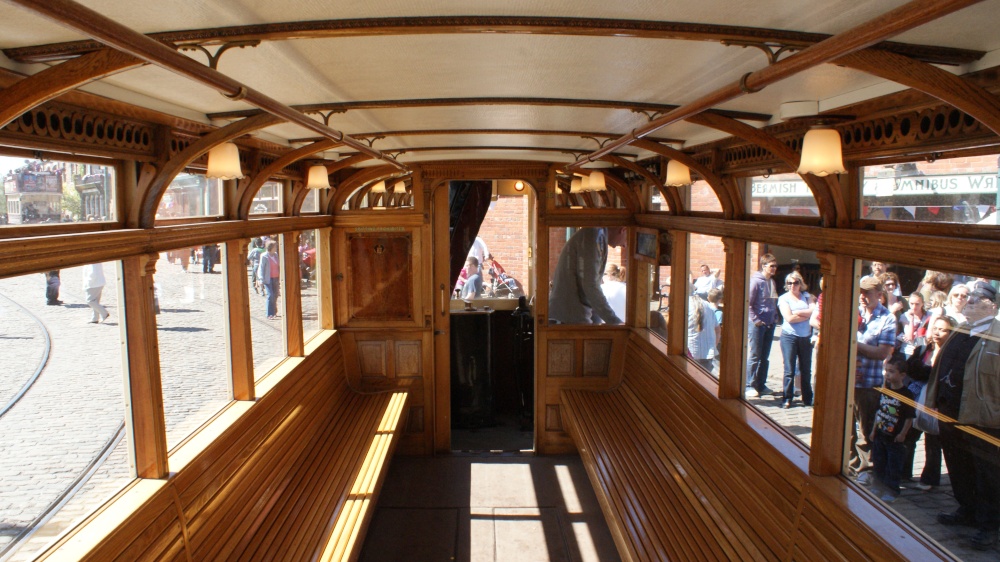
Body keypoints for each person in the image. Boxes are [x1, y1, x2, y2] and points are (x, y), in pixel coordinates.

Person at [928, 282, 1000, 551]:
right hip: (951, 413)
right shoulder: (962, 329)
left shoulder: (997, 335)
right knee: (958, 466)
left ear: (991, 305)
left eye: (977, 298)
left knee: (988, 474)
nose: (969, 301)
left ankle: (989, 525)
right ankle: (967, 509)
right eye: (969, 297)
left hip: (983, 418)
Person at [902, 314, 955, 492]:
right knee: (910, 433)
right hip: (917, 398)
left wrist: (925, 372)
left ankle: (930, 479)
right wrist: (925, 371)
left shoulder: (951, 353)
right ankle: (904, 472)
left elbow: (939, 376)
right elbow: (910, 367)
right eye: (936, 328)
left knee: (933, 440)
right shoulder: (925, 348)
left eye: (943, 329)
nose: (937, 333)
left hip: (936, 401)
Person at [853, 276, 897, 477]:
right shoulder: (855, 312)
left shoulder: (887, 318)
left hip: (869, 384)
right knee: (847, 428)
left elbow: (883, 353)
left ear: (879, 295)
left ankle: (867, 469)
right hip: (849, 380)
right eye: (860, 292)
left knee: (867, 428)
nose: (862, 297)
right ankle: (850, 464)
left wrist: (854, 345)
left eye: (867, 293)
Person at [548, 227, 626, 325]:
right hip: (568, 320)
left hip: (569, 317)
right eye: (627, 239)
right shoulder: (594, 236)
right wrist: (615, 322)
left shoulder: (596, 235)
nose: (625, 245)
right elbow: (590, 286)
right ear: (623, 229)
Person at [868, 354, 915, 503]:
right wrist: (874, 430)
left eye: (892, 371)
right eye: (886, 371)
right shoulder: (885, 390)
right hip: (881, 434)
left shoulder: (906, 394)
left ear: (902, 375)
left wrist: (903, 434)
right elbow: (879, 411)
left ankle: (891, 490)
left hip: (895, 437)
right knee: (879, 461)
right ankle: (878, 486)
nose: (888, 374)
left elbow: (909, 417)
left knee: (893, 465)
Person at [778, 271, 815, 408]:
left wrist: (798, 313)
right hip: (789, 336)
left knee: (806, 369)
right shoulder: (783, 298)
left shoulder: (807, 297)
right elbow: (789, 318)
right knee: (789, 369)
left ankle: (807, 398)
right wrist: (806, 316)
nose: (793, 286)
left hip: (805, 337)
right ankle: (787, 398)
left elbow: (814, 311)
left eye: (795, 283)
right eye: (790, 283)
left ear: (801, 283)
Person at [746, 253, 778, 398]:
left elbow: (773, 301)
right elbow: (748, 303)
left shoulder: (771, 282)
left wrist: (775, 317)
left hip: (769, 323)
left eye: (775, 266)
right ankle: (749, 384)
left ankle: (761, 384)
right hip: (758, 324)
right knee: (754, 355)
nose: (774, 269)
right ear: (763, 266)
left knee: (764, 357)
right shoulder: (756, 282)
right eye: (771, 266)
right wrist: (755, 319)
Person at [687, 291, 717, 373]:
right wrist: (713, 346)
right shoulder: (709, 306)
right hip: (707, 352)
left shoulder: (683, 304)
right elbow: (718, 330)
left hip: (689, 350)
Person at [897, 292, 930, 358]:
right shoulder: (905, 316)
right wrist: (911, 319)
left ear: (922, 303)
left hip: (923, 349)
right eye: (911, 304)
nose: (914, 307)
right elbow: (909, 337)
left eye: (917, 304)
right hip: (908, 351)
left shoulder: (928, 315)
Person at [258, 241, 281, 319]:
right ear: (270, 247)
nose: (276, 248)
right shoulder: (264, 256)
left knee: (275, 295)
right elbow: (261, 268)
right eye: (275, 246)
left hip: (276, 278)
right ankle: (269, 313)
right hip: (268, 279)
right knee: (270, 295)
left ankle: (274, 311)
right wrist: (261, 279)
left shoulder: (276, 255)